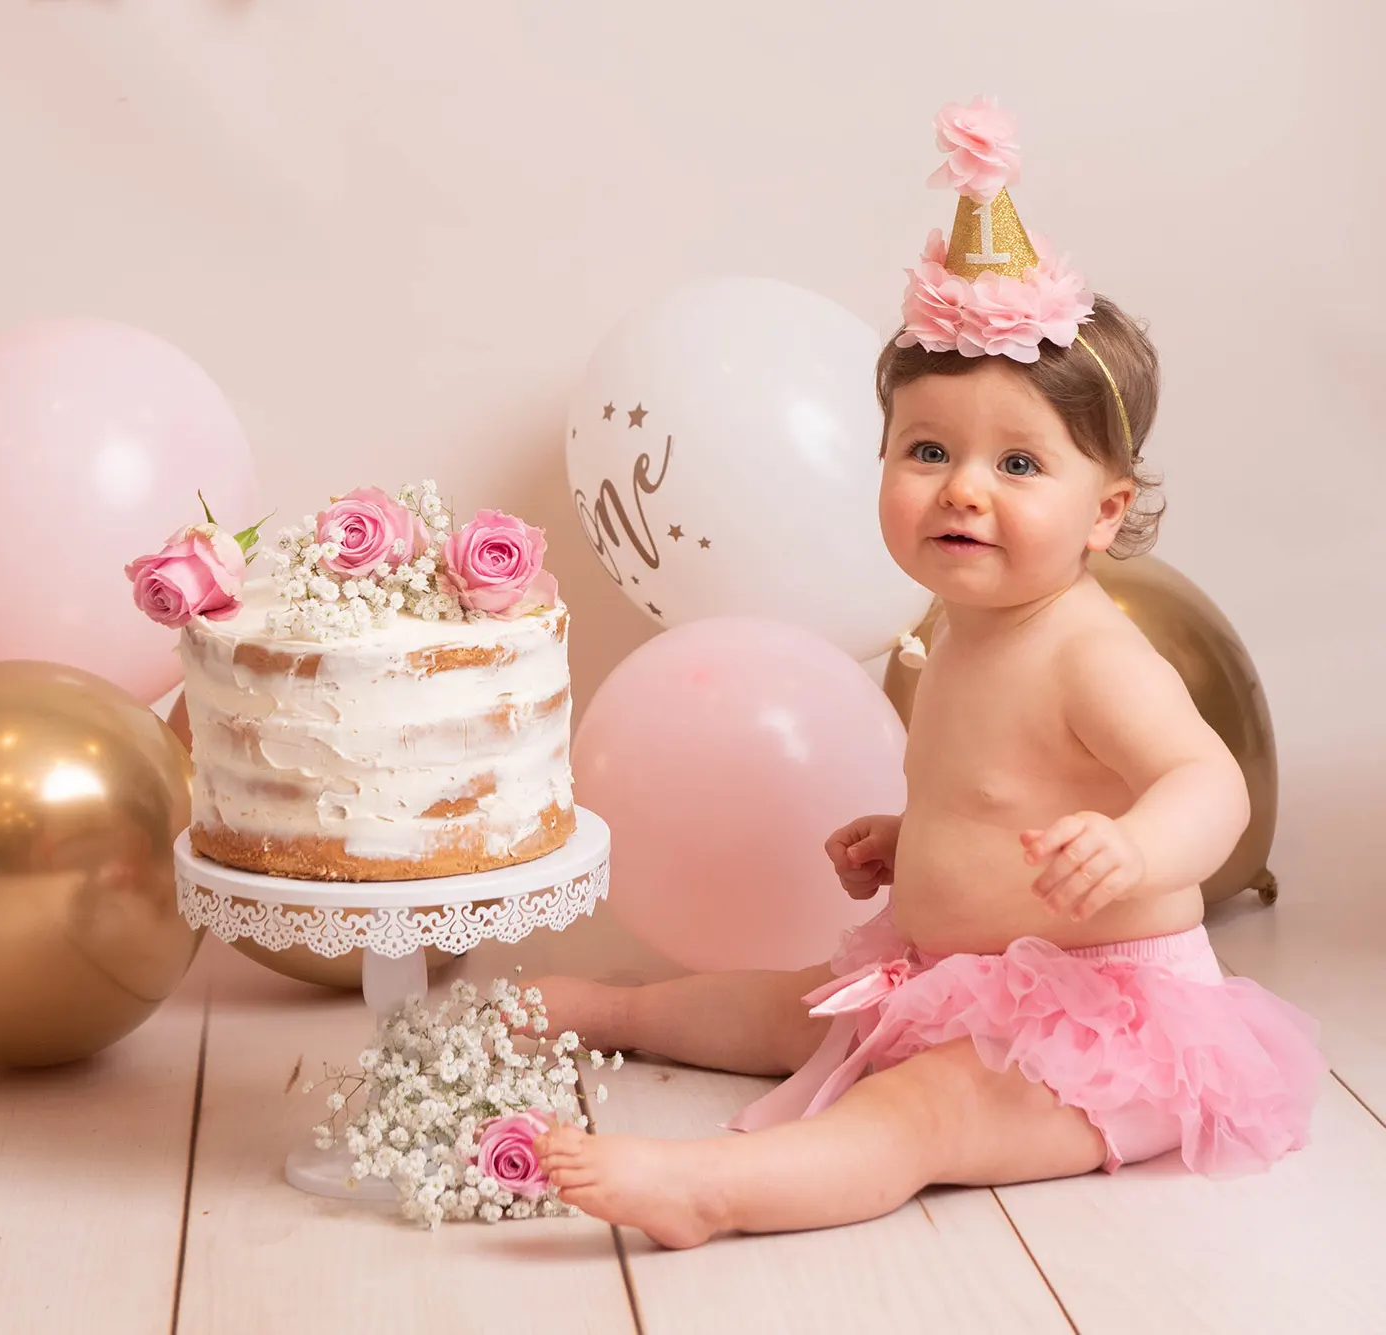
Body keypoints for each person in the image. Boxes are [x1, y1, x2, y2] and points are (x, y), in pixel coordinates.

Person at [530, 98, 1325, 1250]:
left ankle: (706, 1196)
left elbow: (1209, 783)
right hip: (964, 969)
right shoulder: (963, 624)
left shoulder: (1089, 652)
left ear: (1104, 511)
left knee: (922, 1111)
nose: (961, 489)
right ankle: (614, 1010)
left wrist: (1140, 849)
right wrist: (916, 838)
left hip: (1108, 1028)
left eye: (1015, 462)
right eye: (926, 451)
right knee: (794, 1002)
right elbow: (1003, 791)